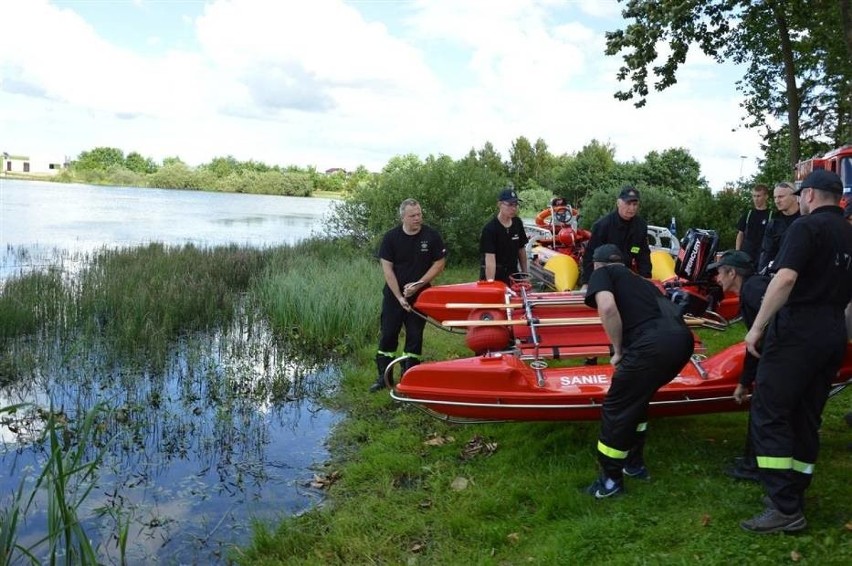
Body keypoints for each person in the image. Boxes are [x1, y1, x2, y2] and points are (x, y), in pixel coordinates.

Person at [740, 170, 852, 533]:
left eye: (801, 195)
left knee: (769, 410)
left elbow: (785, 279)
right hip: (833, 330)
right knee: (807, 414)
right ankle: (795, 489)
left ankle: (784, 507)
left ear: (810, 196)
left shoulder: (804, 229)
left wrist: (757, 329)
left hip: (798, 331)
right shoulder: (849, 232)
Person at [583, 244, 695, 498]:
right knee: (638, 398)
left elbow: (608, 308)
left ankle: (610, 482)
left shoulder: (603, 273)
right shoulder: (642, 282)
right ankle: (634, 465)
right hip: (681, 341)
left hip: (651, 345)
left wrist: (618, 350)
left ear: (597, 264)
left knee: (616, 406)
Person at [369, 199, 447, 393]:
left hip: (421, 297)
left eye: (419, 214)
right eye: (413, 215)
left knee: (414, 337)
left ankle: (410, 377)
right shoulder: (391, 238)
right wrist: (399, 297)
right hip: (394, 297)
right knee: (388, 335)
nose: (417, 218)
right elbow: (387, 271)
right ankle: (383, 378)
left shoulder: (431, 236)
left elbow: (439, 264)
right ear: (403, 217)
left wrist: (418, 285)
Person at [706, 250, 769, 481]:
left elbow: (772, 330)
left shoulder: (754, 291)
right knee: (760, 408)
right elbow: (755, 343)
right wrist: (745, 382)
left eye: (720, 273)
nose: (717, 279)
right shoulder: (752, 290)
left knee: (765, 411)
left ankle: (756, 468)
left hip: (785, 357)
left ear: (733, 273)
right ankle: (751, 461)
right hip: (774, 355)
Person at [581, 186, 651, 288]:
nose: (632, 208)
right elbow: (590, 255)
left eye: (635, 204)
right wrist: (587, 282)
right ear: (618, 203)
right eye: (628, 203)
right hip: (604, 273)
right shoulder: (602, 226)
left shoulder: (640, 226)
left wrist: (646, 279)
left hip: (626, 272)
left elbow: (643, 255)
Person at [480, 187, 529, 285]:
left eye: (515, 205)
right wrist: (491, 285)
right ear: (499, 205)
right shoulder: (489, 229)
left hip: (513, 274)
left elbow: (521, 250)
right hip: (496, 275)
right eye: (510, 205)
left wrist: (525, 274)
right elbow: (490, 261)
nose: (514, 208)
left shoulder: (517, 223)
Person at [756, 182, 799, 273]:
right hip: (780, 273)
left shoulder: (808, 219)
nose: (777, 201)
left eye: (781, 197)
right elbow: (766, 253)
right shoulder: (773, 224)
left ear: (794, 196)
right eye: (775, 197)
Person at [735, 184, 772, 263]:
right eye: (754, 196)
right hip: (747, 253)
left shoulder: (771, 215)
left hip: (763, 254)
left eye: (758, 196)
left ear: (766, 197)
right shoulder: (748, 214)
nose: (756, 199)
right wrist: (737, 252)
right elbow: (740, 234)